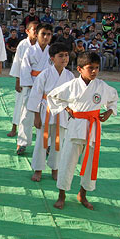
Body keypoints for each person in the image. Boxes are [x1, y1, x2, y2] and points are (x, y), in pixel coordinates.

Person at [48, 51, 118, 210]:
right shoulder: (72, 85)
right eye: (90, 68)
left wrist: (108, 111)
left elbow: (113, 98)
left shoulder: (101, 86)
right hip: (76, 127)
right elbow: (53, 96)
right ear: (79, 69)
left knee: (91, 164)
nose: (94, 71)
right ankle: (62, 195)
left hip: (93, 128)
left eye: (97, 68)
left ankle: (83, 194)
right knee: (67, 162)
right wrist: (65, 107)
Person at [26, 43, 74, 182]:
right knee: (42, 141)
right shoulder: (45, 74)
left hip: (63, 112)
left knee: (59, 141)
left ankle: (55, 168)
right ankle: (38, 169)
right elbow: (35, 95)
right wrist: (36, 116)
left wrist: (72, 112)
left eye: (66, 55)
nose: (64, 58)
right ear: (52, 58)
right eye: (61, 56)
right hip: (45, 111)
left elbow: (73, 97)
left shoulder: (70, 76)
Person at [16, 22, 53, 155]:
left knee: (47, 116)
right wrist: (32, 86)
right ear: (37, 34)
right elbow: (25, 70)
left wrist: (47, 87)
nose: (46, 37)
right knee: (26, 115)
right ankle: (22, 142)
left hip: (47, 89)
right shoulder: (30, 50)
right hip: (31, 86)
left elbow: (55, 71)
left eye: (49, 34)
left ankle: (46, 144)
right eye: (43, 34)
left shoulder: (52, 52)